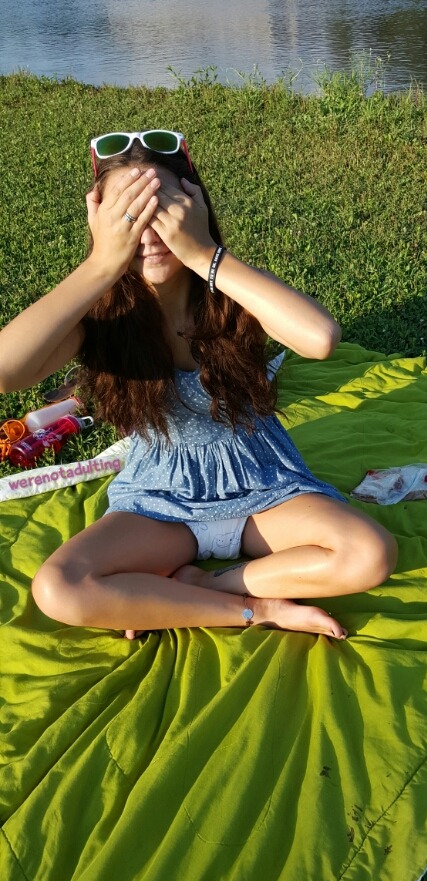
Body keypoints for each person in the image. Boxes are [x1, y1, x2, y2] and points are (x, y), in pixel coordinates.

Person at [0, 130, 397, 639]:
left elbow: (320, 339)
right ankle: (252, 608)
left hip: (263, 484)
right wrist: (102, 263)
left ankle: (208, 586)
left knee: (370, 552)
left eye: (161, 209)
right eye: (129, 214)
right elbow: (8, 370)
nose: (147, 232)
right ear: (100, 221)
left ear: (195, 207)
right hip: (160, 499)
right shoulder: (100, 319)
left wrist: (205, 253)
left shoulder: (228, 289)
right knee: (60, 587)